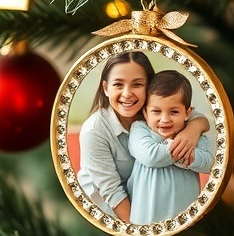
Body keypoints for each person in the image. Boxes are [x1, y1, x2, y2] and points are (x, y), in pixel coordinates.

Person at [78, 51, 209, 221]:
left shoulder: (157, 110)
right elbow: (113, 193)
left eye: (137, 84)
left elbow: (199, 119)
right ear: (106, 88)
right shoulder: (94, 131)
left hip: (143, 202)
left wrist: (193, 129)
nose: (127, 94)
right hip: (109, 213)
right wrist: (140, 232)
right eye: (118, 84)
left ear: (149, 87)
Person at [127, 70, 213, 224]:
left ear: (187, 113)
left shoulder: (194, 136)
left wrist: (185, 141)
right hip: (144, 221)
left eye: (174, 112)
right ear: (145, 112)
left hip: (185, 220)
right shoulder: (139, 129)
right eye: (156, 111)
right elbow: (150, 156)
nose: (165, 119)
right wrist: (183, 151)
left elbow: (208, 164)